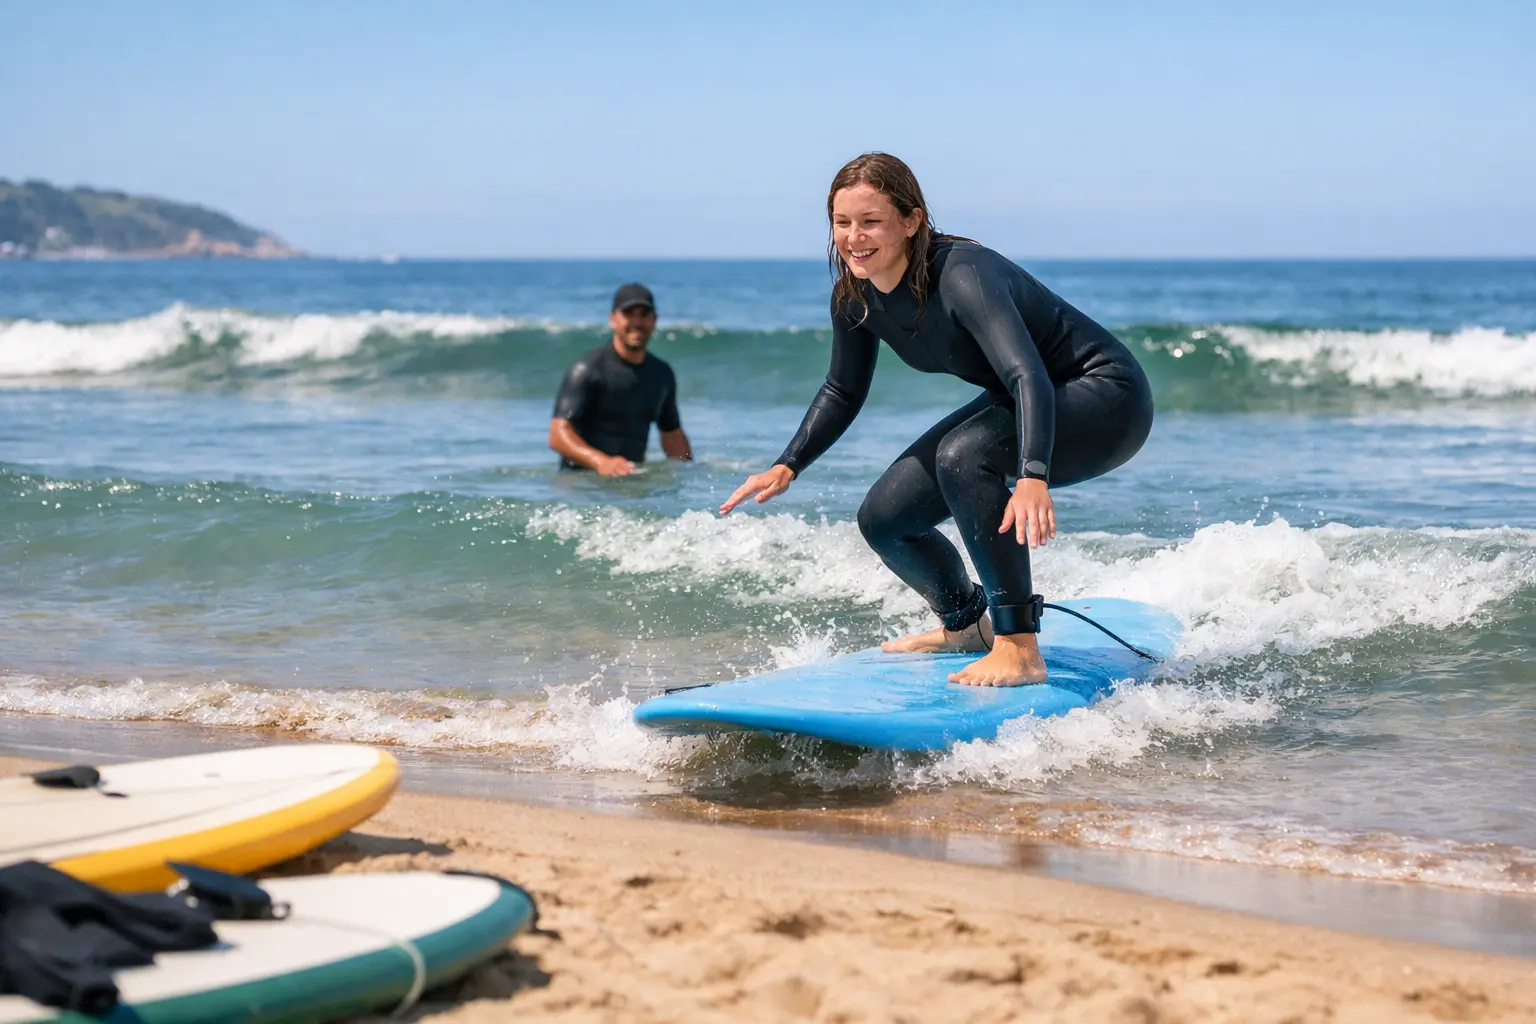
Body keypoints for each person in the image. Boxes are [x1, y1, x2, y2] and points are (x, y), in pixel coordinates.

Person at [719, 153, 1153, 687]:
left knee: (964, 455)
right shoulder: (854, 295)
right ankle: (967, 625)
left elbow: (1026, 375)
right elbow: (842, 388)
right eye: (842, 223)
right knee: (885, 519)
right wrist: (788, 465)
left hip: (1106, 398)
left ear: (911, 221)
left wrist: (1033, 474)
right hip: (1030, 398)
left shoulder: (963, 274)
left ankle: (1019, 645)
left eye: (870, 221)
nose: (854, 238)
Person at [549, 283, 692, 475]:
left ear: (655, 320)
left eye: (644, 315)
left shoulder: (661, 373)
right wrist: (601, 462)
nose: (637, 322)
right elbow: (558, 434)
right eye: (629, 314)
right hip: (582, 484)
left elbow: (672, 434)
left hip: (631, 481)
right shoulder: (588, 369)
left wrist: (692, 475)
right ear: (613, 319)